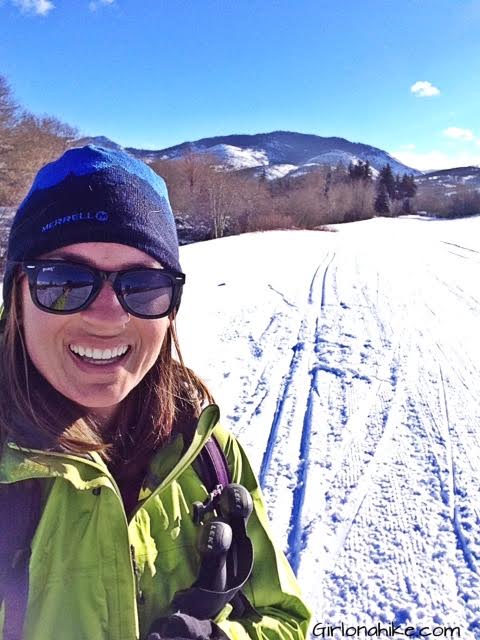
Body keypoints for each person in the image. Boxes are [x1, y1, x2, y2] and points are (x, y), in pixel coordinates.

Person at [0, 146, 311, 640]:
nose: (107, 316)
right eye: (64, 280)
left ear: (171, 308)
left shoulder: (206, 452)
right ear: (15, 295)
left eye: (142, 285)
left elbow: (286, 620)